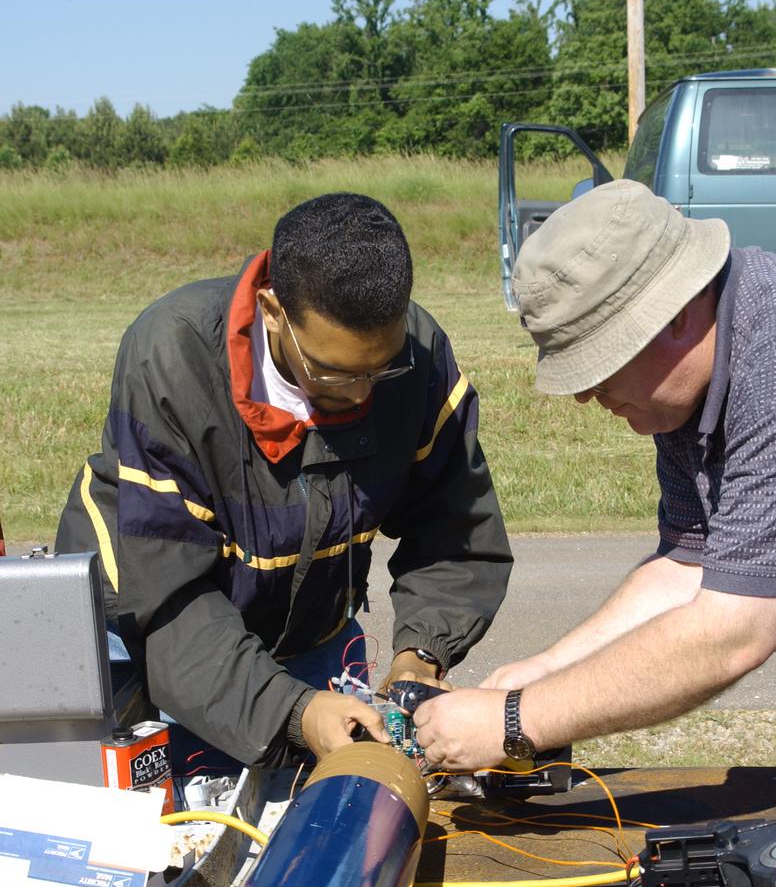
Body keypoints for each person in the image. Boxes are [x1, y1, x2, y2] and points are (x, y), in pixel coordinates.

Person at [56, 193, 512, 767]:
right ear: (273, 312)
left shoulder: (416, 352)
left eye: (381, 369)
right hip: (156, 640)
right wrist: (292, 711)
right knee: (183, 831)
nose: (361, 393)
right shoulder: (172, 356)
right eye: (332, 373)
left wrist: (420, 653)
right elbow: (170, 598)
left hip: (306, 638)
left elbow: (456, 531)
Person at [414, 178, 776, 771]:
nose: (585, 393)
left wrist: (515, 721)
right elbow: (689, 565)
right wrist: (541, 672)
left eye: (601, 360)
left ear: (680, 314)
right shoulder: (692, 386)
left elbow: (733, 631)